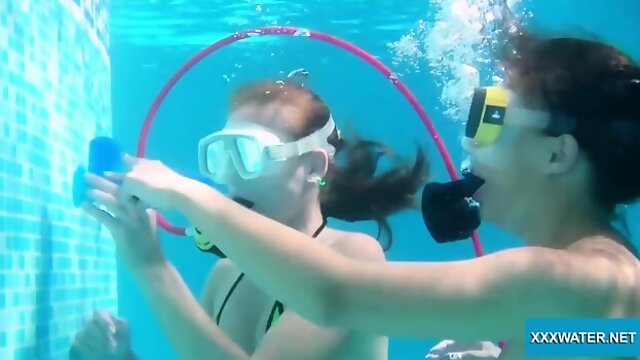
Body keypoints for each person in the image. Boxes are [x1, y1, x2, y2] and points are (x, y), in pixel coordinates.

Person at [95, 25, 640, 360]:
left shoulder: (572, 277)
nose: (471, 148)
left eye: (490, 118)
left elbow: (336, 297)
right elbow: (597, 342)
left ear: (556, 153)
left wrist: (185, 201)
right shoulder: (599, 282)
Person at [71, 80, 428, 359]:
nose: (229, 177)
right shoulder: (226, 273)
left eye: (247, 153)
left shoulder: (352, 257)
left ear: (313, 167)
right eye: (220, 154)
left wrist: (152, 267)